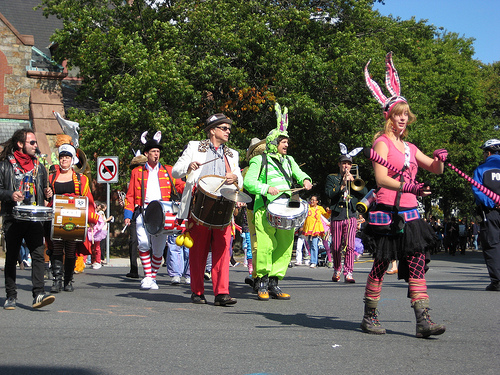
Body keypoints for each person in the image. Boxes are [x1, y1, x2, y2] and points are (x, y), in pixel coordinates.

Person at [361, 52, 446, 338]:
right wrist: (408, 186)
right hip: (387, 211)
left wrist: (441, 158)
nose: (403, 119)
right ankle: (369, 315)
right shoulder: (381, 142)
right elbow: (381, 178)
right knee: (382, 265)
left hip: (411, 214)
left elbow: (435, 169)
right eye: (398, 115)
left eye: (406, 115)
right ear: (389, 116)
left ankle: (424, 320)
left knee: (416, 264)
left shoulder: (409, 147)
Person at [172, 113, 243, 306]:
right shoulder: (195, 147)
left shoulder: (232, 154)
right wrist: (189, 166)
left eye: (229, 128)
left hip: (224, 207)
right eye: (224, 128)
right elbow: (175, 171)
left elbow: (239, 178)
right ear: (213, 130)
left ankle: (222, 293)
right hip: (200, 205)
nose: (228, 131)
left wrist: (235, 178)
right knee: (198, 252)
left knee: (222, 251)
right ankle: (197, 291)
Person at [244, 103, 312, 301]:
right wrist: (266, 189)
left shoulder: (290, 160)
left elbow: (300, 175)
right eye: (283, 141)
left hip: (287, 208)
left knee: (285, 245)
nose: (286, 144)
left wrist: (306, 180)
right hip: (265, 208)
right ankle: (262, 283)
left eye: (287, 142)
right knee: (265, 245)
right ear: (273, 142)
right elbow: (248, 182)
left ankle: (274, 283)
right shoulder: (259, 161)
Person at [0, 129, 55, 309]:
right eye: (31, 142)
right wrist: (10, 194)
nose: (35, 145)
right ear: (20, 144)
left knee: (38, 255)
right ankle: (11, 295)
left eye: (35, 142)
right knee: (12, 256)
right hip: (13, 217)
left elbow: (44, 189)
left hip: (34, 218)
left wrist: (48, 193)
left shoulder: (39, 165)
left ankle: (38, 294)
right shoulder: (4, 164)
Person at [124, 132, 185, 290]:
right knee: (143, 243)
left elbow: (180, 186)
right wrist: (127, 215)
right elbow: (130, 195)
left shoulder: (168, 170)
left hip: (162, 213)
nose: (156, 154)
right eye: (153, 151)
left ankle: (152, 277)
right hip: (143, 211)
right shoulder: (137, 172)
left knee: (158, 249)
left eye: (158, 152)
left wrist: (192, 185)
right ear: (146, 154)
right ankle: (148, 276)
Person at [47, 143, 100, 292]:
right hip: (57, 218)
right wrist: (48, 195)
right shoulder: (52, 178)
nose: (64, 160)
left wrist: (90, 217)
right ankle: (57, 281)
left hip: (74, 218)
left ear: (72, 160)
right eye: (62, 157)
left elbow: (87, 198)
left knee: (70, 250)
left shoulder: (81, 178)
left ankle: (68, 280)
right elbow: (48, 198)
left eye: (67, 157)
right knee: (57, 249)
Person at [325, 148, 367, 283]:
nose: (346, 166)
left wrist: (353, 180)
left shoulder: (355, 179)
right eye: (343, 163)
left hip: (351, 216)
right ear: (339, 165)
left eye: (348, 164)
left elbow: (364, 193)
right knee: (336, 246)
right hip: (337, 215)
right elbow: (329, 194)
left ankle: (348, 272)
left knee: (349, 246)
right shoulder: (332, 178)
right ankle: (337, 269)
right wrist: (342, 184)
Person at [472, 139, 500, 291]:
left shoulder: (482, 169)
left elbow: (477, 190)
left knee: (492, 246)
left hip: (490, 213)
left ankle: (497, 281)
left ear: (488, 153)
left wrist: (492, 203)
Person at [302, 195, 328, 268]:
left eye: (314, 200)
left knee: (314, 245)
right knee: (309, 245)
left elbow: (326, 215)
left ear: (317, 201)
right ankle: (312, 259)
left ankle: (314, 261)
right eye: (311, 200)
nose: (312, 201)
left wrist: (328, 211)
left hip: (316, 228)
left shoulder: (320, 208)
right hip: (308, 228)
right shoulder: (308, 207)